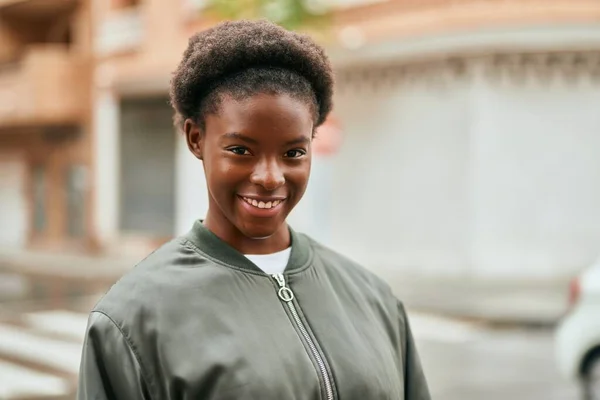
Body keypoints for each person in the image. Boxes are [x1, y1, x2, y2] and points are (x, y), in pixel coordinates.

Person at [77, 19, 430, 400]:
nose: (269, 177)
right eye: (241, 150)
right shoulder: (131, 319)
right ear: (197, 139)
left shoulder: (373, 298)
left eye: (293, 153)